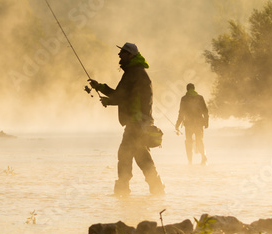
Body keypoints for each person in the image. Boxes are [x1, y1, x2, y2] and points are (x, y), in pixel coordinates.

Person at [88, 42, 165, 196]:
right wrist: (101, 88)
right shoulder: (137, 71)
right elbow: (124, 95)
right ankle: (156, 188)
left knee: (124, 154)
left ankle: (122, 190)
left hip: (136, 122)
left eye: (123, 53)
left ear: (131, 55)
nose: (119, 55)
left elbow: (122, 96)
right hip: (142, 122)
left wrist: (106, 97)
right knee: (141, 154)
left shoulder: (133, 73)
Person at [175, 83, 209, 165]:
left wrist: (177, 125)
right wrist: (206, 122)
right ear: (194, 88)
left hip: (188, 124)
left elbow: (181, 113)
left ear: (187, 89)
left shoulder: (184, 99)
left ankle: (190, 161)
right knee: (199, 140)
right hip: (199, 123)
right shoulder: (200, 98)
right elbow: (205, 111)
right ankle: (203, 157)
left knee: (188, 142)